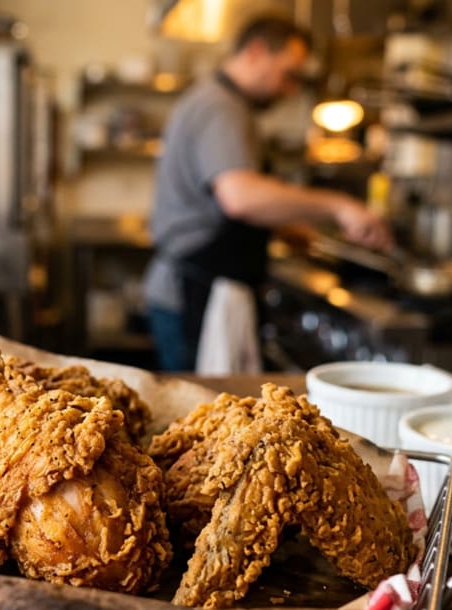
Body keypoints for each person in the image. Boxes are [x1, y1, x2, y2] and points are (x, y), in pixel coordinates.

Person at [144, 15, 391, 371]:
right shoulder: (221, 108)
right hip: (193, 293)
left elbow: (222, 200)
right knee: (200, 416)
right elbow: (239, 197)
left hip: (200, 287)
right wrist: (340, 206)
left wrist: (282, 227)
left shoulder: (218, 102)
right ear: (257, 52)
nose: (290, 90)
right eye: (288, 74)